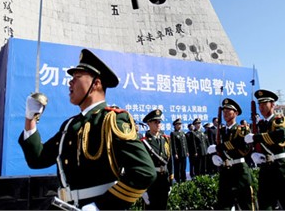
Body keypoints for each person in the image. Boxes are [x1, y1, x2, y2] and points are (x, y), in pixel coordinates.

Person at [19, 49, 156, 210]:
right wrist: (30, 119)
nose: (70, 82)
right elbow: (38, 159)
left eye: (77, 77)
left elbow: (145, 171)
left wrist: (100, 206)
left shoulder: (112, 120)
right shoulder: (70, 125)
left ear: (96, 84)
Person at [245, 89, 285, 210]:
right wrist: (255, 153)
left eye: (265, 104)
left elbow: (278, 136)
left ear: (273, 104)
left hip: (281, 168)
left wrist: (256, 138)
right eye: (260, 104)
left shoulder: (279, 120)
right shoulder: (259, 125)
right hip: (266, 170)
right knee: (265, 206)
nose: (261, 107)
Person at [208, 98, 255, 210]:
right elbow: (219, 147)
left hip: (239, 170)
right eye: (224, 111)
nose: (225, 113)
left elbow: (241, 146)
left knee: (246, 205)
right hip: (226, 172)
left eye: (228, 110)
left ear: (236, 113)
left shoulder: (242, 130)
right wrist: (215, 155)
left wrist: (219, 147)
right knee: (223, 205)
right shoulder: (221, 131)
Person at [141, 109, 173, 210]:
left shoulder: (166, 139)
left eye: (159, 122)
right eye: (155, 122)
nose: (158, 124)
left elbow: (170, 161)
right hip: (151, 183)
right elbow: (142, 166)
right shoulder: (144, 142)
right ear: (148, 123)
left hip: (164, 181)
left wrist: (170, 182)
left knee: (163, 207)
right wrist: (143, 190)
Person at [170, 118, 188, 183]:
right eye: (178, 124)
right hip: (178, 153)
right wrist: (175, 153)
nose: (179, 126)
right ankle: (178, 179)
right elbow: (173, 144)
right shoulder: (173, 133)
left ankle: (184, 179)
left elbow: (185, 143)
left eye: (180, 124)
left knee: (183, 167)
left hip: (184, 152)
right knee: (178, 167)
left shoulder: (183, 133)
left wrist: (187, 151)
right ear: (175, 125)